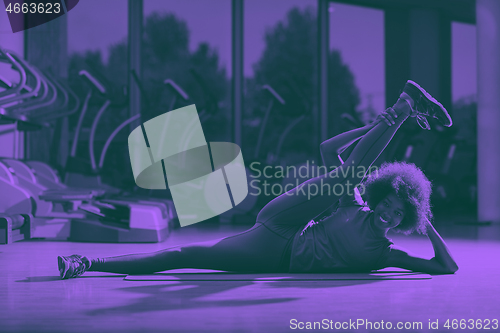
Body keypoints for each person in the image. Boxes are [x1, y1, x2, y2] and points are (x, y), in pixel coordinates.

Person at [58, 80, 458, 279]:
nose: (387, 212)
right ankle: (403, 109)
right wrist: (368, 127)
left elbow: (446, 267)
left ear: (406, 218)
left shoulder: (384, 256)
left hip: (273, 256)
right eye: (388, 202)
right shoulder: (354, 203)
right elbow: (326, 149)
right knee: (345, 175)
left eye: (398, 213)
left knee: (190, 259)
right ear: (382, 194)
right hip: (282, 224)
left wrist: (424, 222)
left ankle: (85, 264)